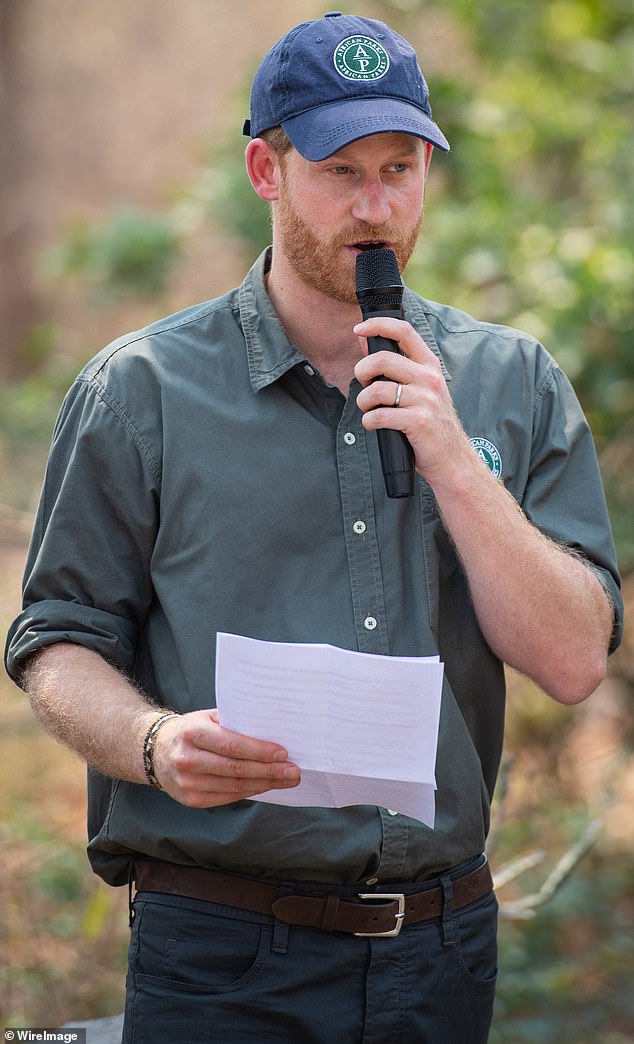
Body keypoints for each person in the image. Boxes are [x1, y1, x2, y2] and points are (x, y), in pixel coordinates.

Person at [4, 12, 623, 1044]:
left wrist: (453, 460)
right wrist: (153, 745)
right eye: (340, 170)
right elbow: (56, 645)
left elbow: (570, 663)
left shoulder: (510, 382)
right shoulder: (141, 392)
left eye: (400, 168)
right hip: (219, 949)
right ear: (265, 169)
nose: (375, 206)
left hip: (441, 946)